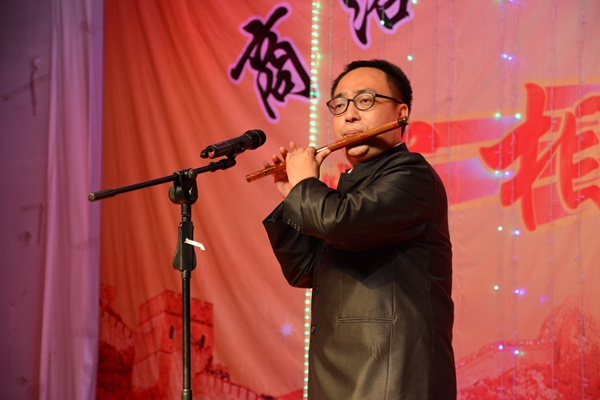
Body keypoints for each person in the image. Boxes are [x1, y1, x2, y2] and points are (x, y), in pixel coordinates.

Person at [262, 59, 456, 399]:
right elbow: (304, 270)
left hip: (392, 378)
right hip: (342, 374)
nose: (349, 116)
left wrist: (306, 186)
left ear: (400, 113)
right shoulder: (350, 188)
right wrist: (293, 195)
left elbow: (341, 224)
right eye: (339, 105)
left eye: (365, 101)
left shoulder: (411, 175)